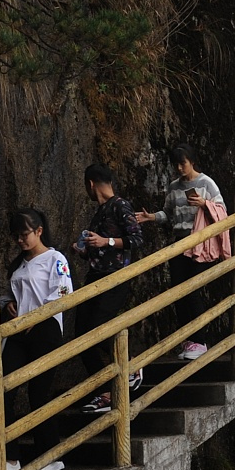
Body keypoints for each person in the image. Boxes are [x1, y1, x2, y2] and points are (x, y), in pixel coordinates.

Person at [135, 145, 224, 361]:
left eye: (182, 163)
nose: (179, 168)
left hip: (200, 244)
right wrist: (151, 217)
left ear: (192, 161)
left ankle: (200, 340)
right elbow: (168, 213)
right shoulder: (174, 186)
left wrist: (204, 204)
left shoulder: (206, 183)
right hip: (179, 244)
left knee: (192, 291)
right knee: (178, 293)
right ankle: (188, 340)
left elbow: (222, 211)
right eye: (176, 164)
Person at [76, 165, 144, 415]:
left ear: (91, 183)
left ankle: (132, 367)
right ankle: (105, 393)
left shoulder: (120, 205)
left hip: (116, 277)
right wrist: (85, 249)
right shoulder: (100, 212)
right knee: (81, 337)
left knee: (97, 327)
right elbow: (101, 249)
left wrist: (107, 241)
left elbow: (137, 239)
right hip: (96, 276)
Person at [5, 208, 73, 414]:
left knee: (38, 394)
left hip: (45, 328)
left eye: (24, 235)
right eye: (16, 236)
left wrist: (37, 317)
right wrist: (9, 301)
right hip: (19, 329)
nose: (20, 240)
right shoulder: (19, 265)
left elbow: (63, 291)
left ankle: (47, 445)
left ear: (39, 231)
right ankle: (7, 446)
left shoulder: (55, 259)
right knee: (3, 388)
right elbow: (17, 291)